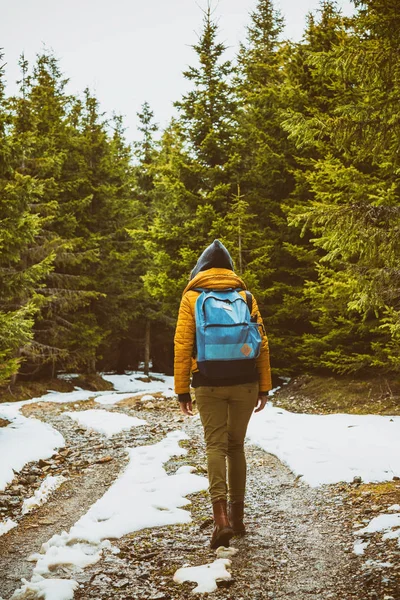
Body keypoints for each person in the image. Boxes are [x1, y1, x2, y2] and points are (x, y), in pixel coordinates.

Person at [174, 239, 272, 548]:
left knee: (214, 446)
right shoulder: (246, 295)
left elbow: (182, 345)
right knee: (236, 447)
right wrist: (264, 386)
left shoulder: (192, 296)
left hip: (208, 381)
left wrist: (182, 391)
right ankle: (238, 518)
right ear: (229, 268)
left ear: (201, 268)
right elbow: (262, 343)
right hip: (246, 381)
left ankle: (221, 521)